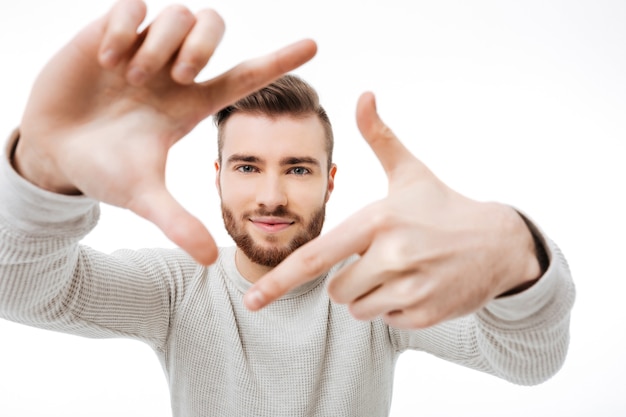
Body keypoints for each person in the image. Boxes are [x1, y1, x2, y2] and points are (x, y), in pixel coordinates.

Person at [0, 1, 575, 416]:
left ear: (329, 182)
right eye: (248, 166)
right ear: (219, 177)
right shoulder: (177, 288)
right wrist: (44, 178)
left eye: (297, 169)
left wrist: (514, 250)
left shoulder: (372, 290)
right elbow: (19, 288)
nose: (271, 195)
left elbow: (527, 363)